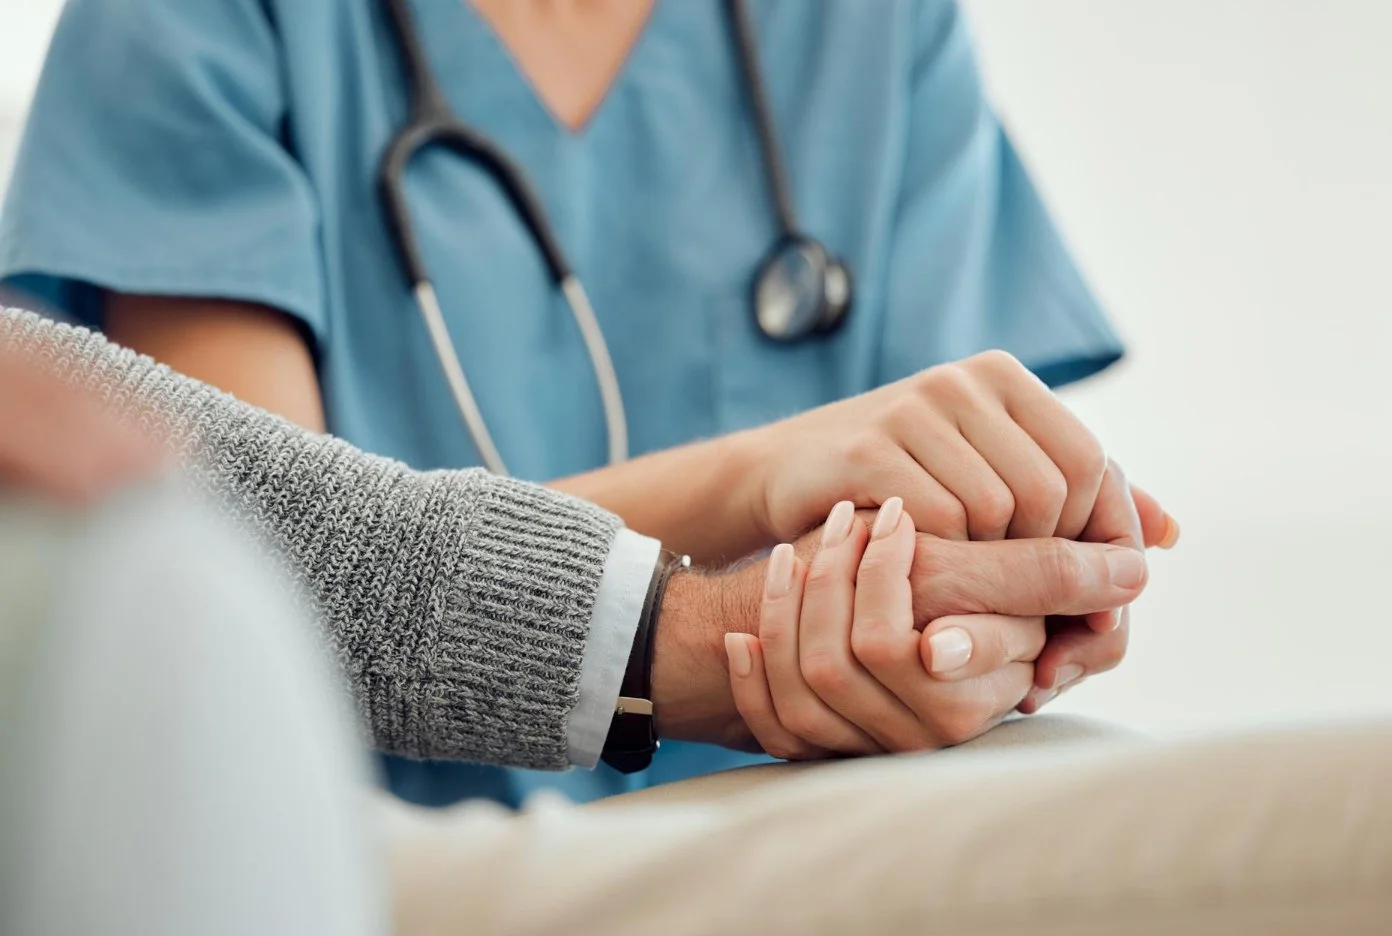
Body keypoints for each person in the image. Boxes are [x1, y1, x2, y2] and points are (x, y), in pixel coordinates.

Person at [5, 313, 1392, 936]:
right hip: (371, 860)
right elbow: (248, 599)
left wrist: (961, 613)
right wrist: (722, 583)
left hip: (691, 783)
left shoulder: (858, 38)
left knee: (1057, 763)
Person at [0, 0, 1141, 804]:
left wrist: (992, 616)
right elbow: (276, 580)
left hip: (807, 834)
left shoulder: (871, 28)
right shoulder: (204, 22)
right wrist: (757, 485)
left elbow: (950, 558)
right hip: (384, 866)